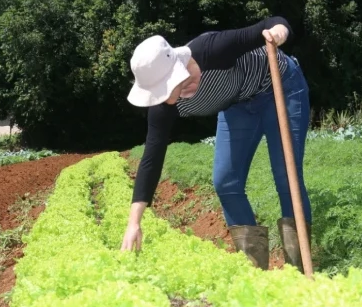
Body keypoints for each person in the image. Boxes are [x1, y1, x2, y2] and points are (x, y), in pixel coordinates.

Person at [121, 16, 312, 271]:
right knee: (226, 182)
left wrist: (279, 32)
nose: (161, 97)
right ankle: (256, 269)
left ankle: (298, 270)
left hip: (280, 87)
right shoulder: (162, 107)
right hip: (238, 106)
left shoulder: (212, 49)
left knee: (286, 177)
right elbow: (152, 157)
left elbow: (274, 23)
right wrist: (134, 222)